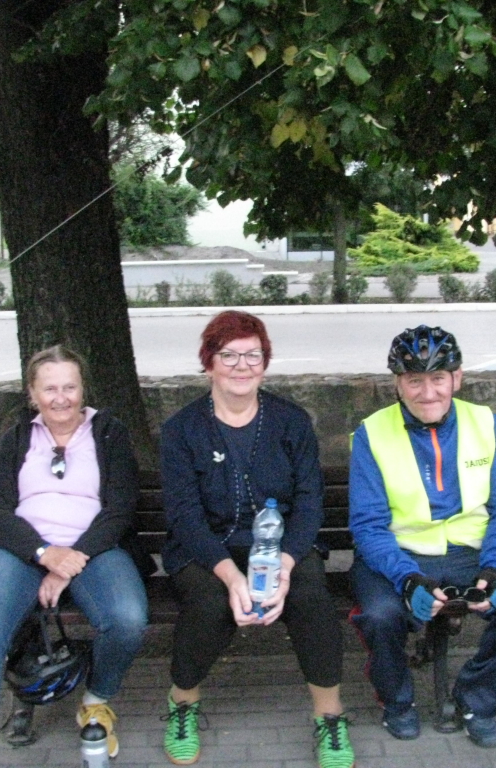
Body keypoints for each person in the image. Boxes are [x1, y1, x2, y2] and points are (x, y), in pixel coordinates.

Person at [158, 310, 355, 768]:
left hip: (282, 546)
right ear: (209, 362)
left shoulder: (290, 421)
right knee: (210, 604)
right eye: (229, 355)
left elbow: (309, 501)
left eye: (253, 355)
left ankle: (330, 716)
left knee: (310, 595)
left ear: (265, 362)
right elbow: (185, 516)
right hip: (206, 550)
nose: (241, 366)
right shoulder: (182, 429)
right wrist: (232, 577)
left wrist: (285, 564)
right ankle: (182, 702)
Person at [0, 345, 148, 768]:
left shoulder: (108, 433)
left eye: (69, 387)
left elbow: (120, 508)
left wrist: (71, 558)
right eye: (50, 389)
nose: (61, 398)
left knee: (128, 620)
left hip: (94, 549)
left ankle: (95, 700)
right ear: (32, 393)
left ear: (82, 389)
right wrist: (45, 554)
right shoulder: (18, 436)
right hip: (19, 551)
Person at [348, 325, 496, 747]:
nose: (428, 393)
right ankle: (397, 702)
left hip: (470, 552)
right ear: (397, 383)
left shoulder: (484, 423)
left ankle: (477, 698)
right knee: (380, 616)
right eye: (414, 380)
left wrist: (495, 568)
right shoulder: (371, 432)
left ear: (457, 377)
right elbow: (368, 525)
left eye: (438, 378)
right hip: (398, 555)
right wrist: (406, 578)